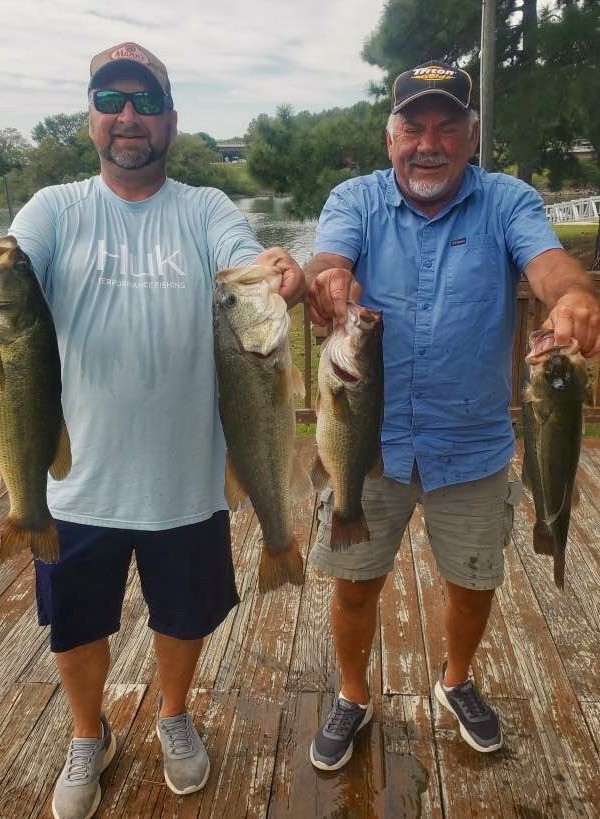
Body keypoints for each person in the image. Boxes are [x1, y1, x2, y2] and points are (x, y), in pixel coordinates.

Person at [0, 42, 305, 819]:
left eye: (145, 101)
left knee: (184, 615)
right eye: (111, 99)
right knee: (75, 623)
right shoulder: (54, 208)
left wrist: (276, 272)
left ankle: (173, 715)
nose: (128, 115)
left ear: (170, 119)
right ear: (91, 119)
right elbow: (11, 267)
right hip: (75, 479)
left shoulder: (206, 208)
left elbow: (243, 264)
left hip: (185, 476)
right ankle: (88, 734)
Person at [303, 60, 600, 771]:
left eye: (446, 128)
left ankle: (456, 679)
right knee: (354, 583)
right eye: (413, 127)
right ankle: (352, 693)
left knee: (472, 583)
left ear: (471, 136)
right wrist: (327, 277)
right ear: (390, 137)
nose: (428, 144)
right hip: (370, 442)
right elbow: (327, 259)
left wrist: (573, 296)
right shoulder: (355, 198)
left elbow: (548, 265)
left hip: (471, 444)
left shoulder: (507, 201)